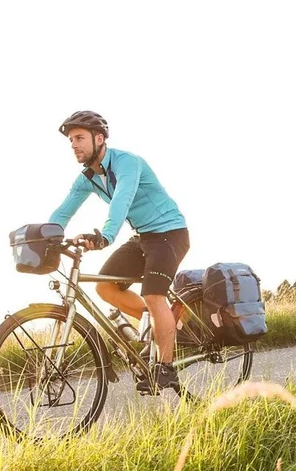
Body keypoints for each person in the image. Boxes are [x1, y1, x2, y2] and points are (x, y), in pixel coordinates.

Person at [49, 111, 190, 393]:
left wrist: (106, 236)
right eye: (71, 141)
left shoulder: (128, 163)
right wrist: (44, 237)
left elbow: (123, 198)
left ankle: (166, 367)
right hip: (143, 237)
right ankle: (165, 327)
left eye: (79, 138)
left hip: (170, 234)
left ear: (99, 138)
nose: (74, 145)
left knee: (153, 295)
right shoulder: (88, 177)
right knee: (105, 288)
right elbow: (63, 211)